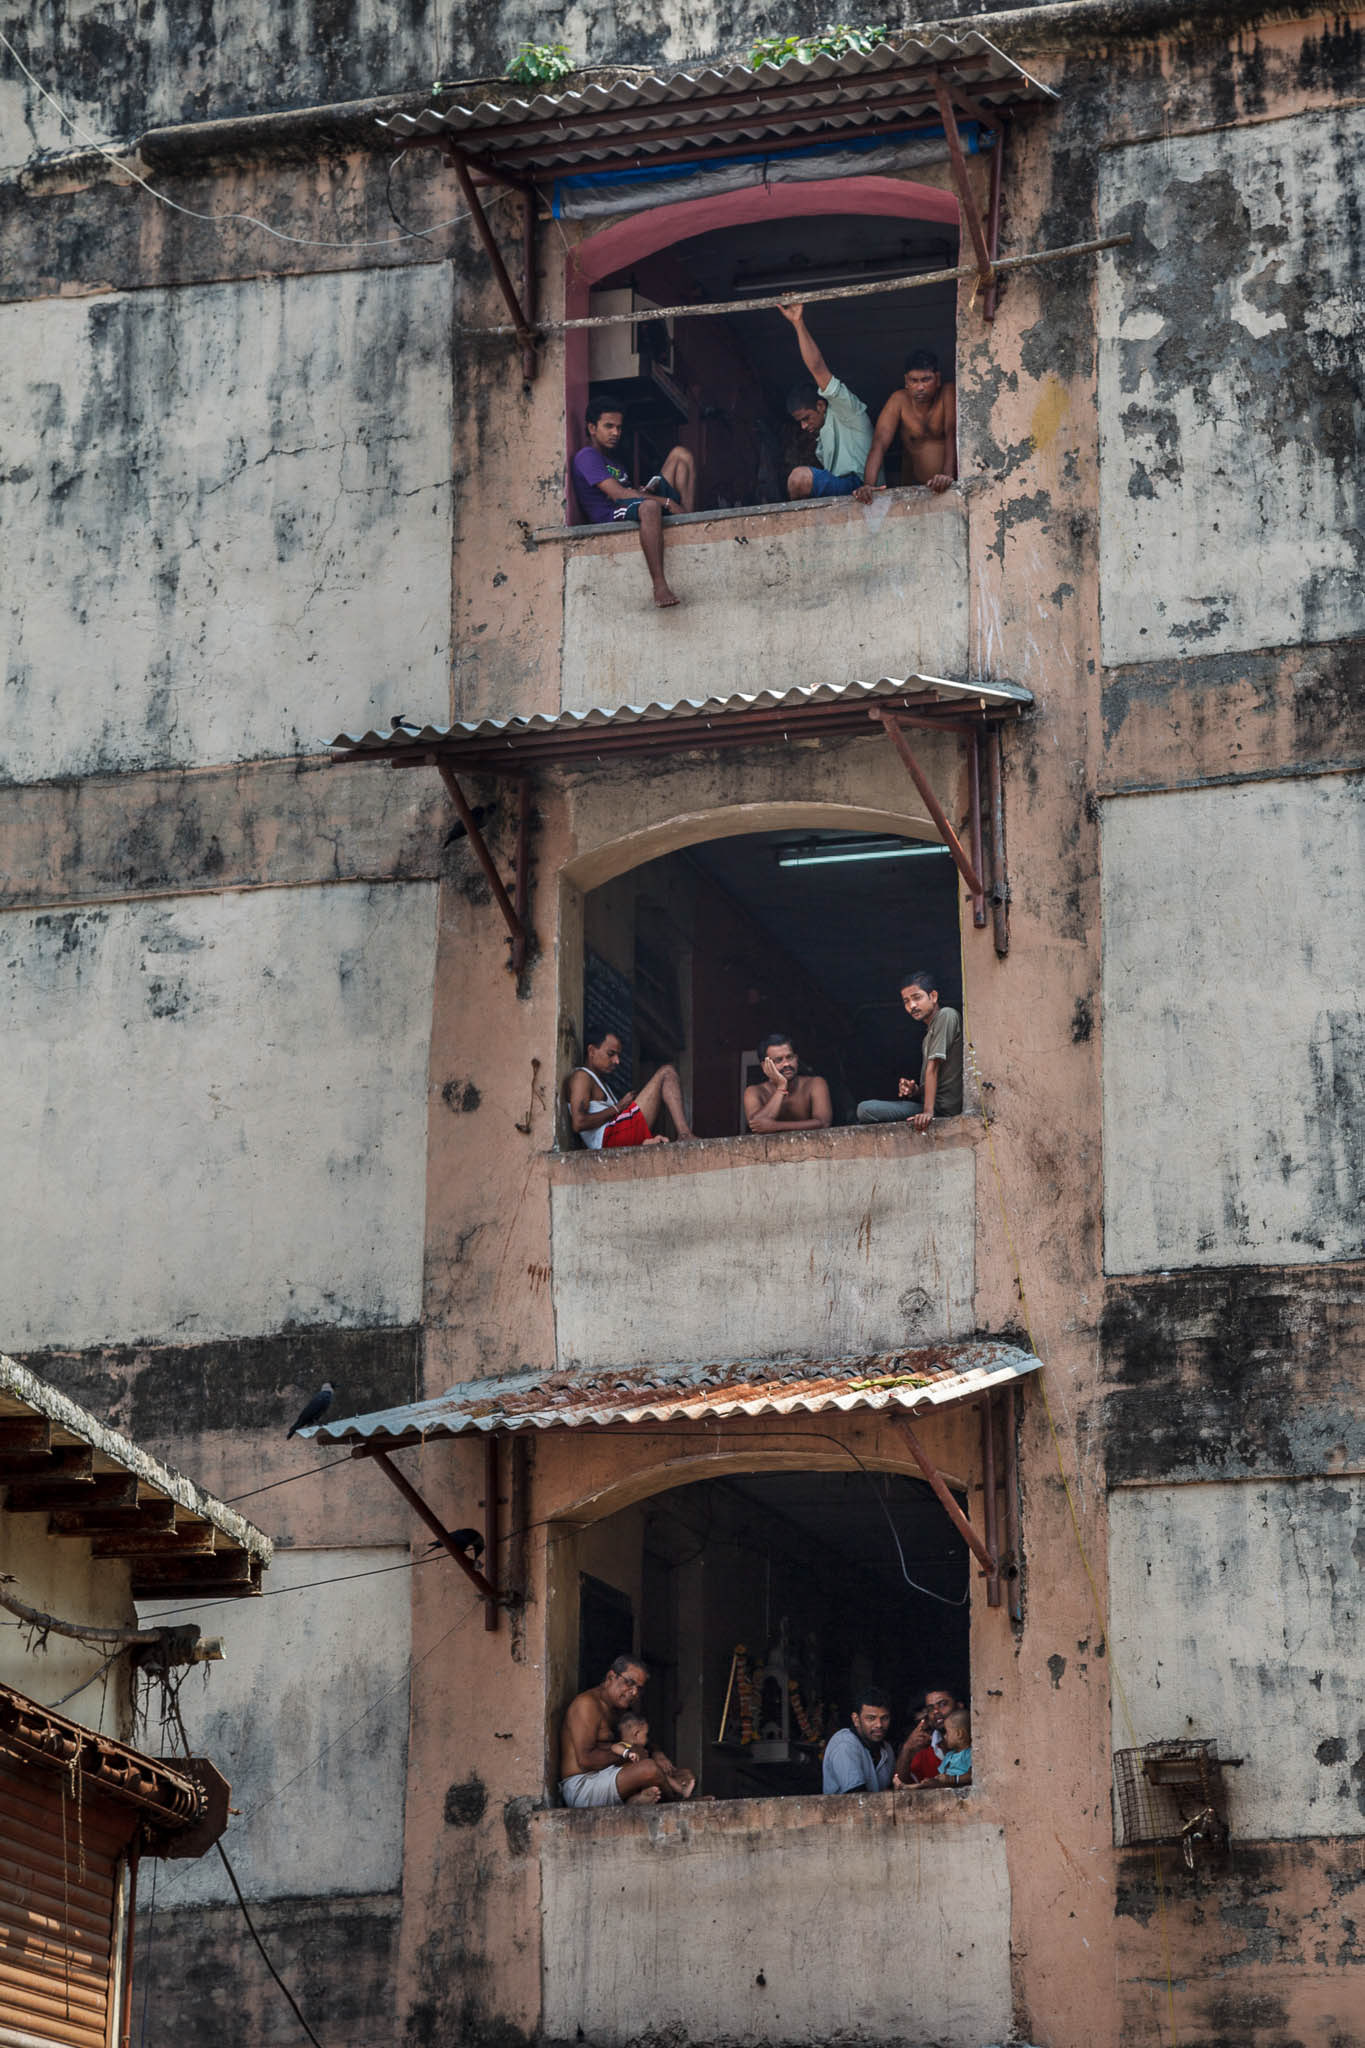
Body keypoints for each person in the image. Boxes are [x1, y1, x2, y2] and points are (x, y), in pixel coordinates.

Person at [570, 397, 697, 608]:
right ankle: (659, 585)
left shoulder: (615, 463)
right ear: (592, 428)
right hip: (611, 514)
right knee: (650, 507)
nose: (615, 433)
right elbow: (618, 495)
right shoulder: (587, 456)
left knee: (680, 455)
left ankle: (690, 521)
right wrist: (666, 502)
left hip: (628, 505)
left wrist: (643, 491)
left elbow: (628, 492)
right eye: (609, 426)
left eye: (619, 427)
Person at [559, 1655, 697, 1807]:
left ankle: (636, 1800)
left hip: (607, 1776)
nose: (634, 1692)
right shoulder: (586, 1704)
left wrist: (658, 1754)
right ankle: (680, 1803)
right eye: (629, 1683)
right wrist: (629, 1755)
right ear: (611, 1677)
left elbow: (643, 1743)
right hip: (582, 1786)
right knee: (649, 1769)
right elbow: (586, 1760)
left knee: (684, 1775)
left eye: (639, 1688)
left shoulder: (619, 1709)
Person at [779, 304, 877, 501]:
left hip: (860, 485)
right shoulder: (821, 438)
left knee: (798, 478)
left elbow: (818, 368)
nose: (804, 426)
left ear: (820, 406)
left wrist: (798, 323)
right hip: (845, 493)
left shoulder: (846, 409)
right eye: (800, 422)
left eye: (806, 418)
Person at [856, 971, 964, 1131]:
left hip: (941, 1109)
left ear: (933, 996)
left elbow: (933, 1067)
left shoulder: (946, 1015)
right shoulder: (928, 1034)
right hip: (932, 1105)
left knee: (865, 1109)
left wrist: (928, 1112)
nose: (912, 1005)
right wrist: (915, 1090)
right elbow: (938, 1078)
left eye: (917, 997)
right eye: (906, 1001)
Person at [565, 1027, 695, 1149]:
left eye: (618, 1055)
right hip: (609, 1138)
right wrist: (617, 1108)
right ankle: (685, 1135)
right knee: (667, 1072)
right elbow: (579, 1123)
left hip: (614, 1137)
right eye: (611, 1054)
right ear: (592, 1051)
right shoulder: (581, 1076)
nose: (617, 1061)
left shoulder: (602, 1083)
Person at [862, 349, 958, 495]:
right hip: (917, 490)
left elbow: (953, 433)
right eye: (914, 380)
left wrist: (947, 476)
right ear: (906, 381)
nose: (920, 387)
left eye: (926, 380)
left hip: (950, 485)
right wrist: (868, 485)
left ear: (937, 379)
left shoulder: (947, 392)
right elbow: (879, 443)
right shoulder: (899, 400)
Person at [743, 1031, 833, 1135]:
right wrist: (781, 1087)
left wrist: (774, 1126)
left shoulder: (815, 1084)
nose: (786, 1064)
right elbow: (757, 1125)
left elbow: (824, 1123)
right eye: (778, 1060)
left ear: (796, 1058)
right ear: (765, 1066)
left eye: (790, 1057)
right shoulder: (754, 1092)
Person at [822, 1684, 895, 1793]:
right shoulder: (845, 1744)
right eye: (871, 1718)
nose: (879, 1725)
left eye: (884, 1718)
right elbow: (857, 1798)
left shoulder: (886, 1749)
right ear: (856, 1719)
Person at [893, 1686, 961, 1786]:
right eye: (930, 1708)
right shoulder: (923, 1751)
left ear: (959, 1706)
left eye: (942, 1704)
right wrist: (907, 1748)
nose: (935, 1711)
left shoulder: (977, 1743)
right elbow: (900, 1785)